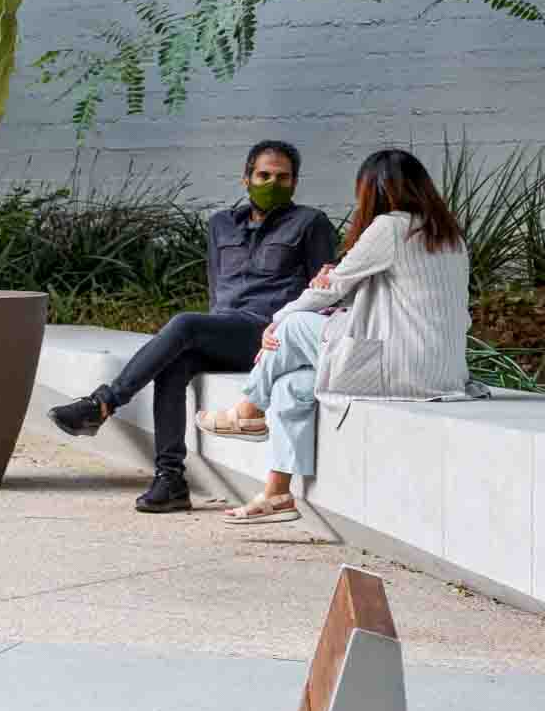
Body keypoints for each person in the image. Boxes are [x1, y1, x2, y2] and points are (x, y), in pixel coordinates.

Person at [47, 140, 340, 512]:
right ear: (246, 179)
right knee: (174, 363)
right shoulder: (221, 224)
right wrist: (210, 332)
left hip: (269, 336)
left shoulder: (310, 223)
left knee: (185, 325)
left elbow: (323, 293)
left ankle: (103, 403)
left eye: (283, 177)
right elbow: (217, 286)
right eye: (264, 175)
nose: (273, 183)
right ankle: (169, 479)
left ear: (295, 183)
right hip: (225, 330)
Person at [199, 146, 472, 525]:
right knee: (292, 386)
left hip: (399, 365)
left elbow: (330, 290)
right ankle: (278, 494)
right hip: (440, 371)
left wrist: (276, 321)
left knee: (293, 326)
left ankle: (247, 410)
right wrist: (332, 282)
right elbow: (390, 295)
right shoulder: (449, 234)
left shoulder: (390, 226)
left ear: (374, 190)